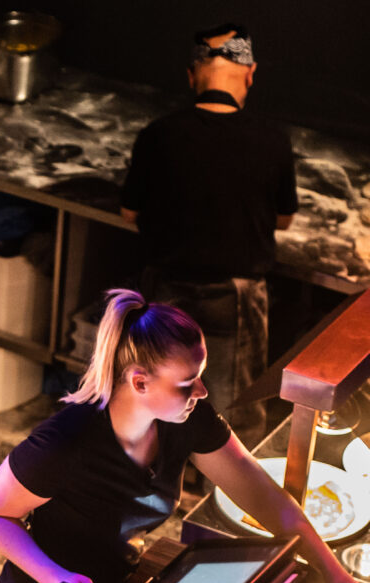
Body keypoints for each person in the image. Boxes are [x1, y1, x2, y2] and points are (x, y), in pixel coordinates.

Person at [0, 289, 370, 583]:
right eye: (186, 383)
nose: (201, 390)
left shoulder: (186, 419)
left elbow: (267, 500)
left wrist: (336, 578)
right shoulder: (65, 441)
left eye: (200, 374)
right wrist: (55, 578)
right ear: (140, 382)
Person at [120, 22, 298, 448]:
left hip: (165, 291)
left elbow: (129, 212)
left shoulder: (158, 134)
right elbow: (284, 220)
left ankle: (156, 476)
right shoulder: (272, 141)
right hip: (234, 296)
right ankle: (223, 486)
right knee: (235, 414)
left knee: (156, 399)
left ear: (192, 75)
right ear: (250, 74)